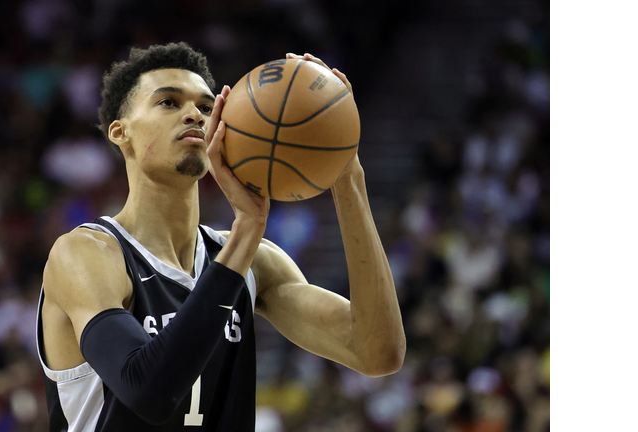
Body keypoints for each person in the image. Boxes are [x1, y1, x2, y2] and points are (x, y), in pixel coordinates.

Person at [36, 42, 406, 431]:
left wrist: (346, 174)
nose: (194, 114)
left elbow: (377, 353)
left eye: (206, 107)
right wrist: (247, 228)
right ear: (120, 131)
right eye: (168, 102)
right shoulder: (86, 254)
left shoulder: (255, 262)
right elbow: (149, 391)